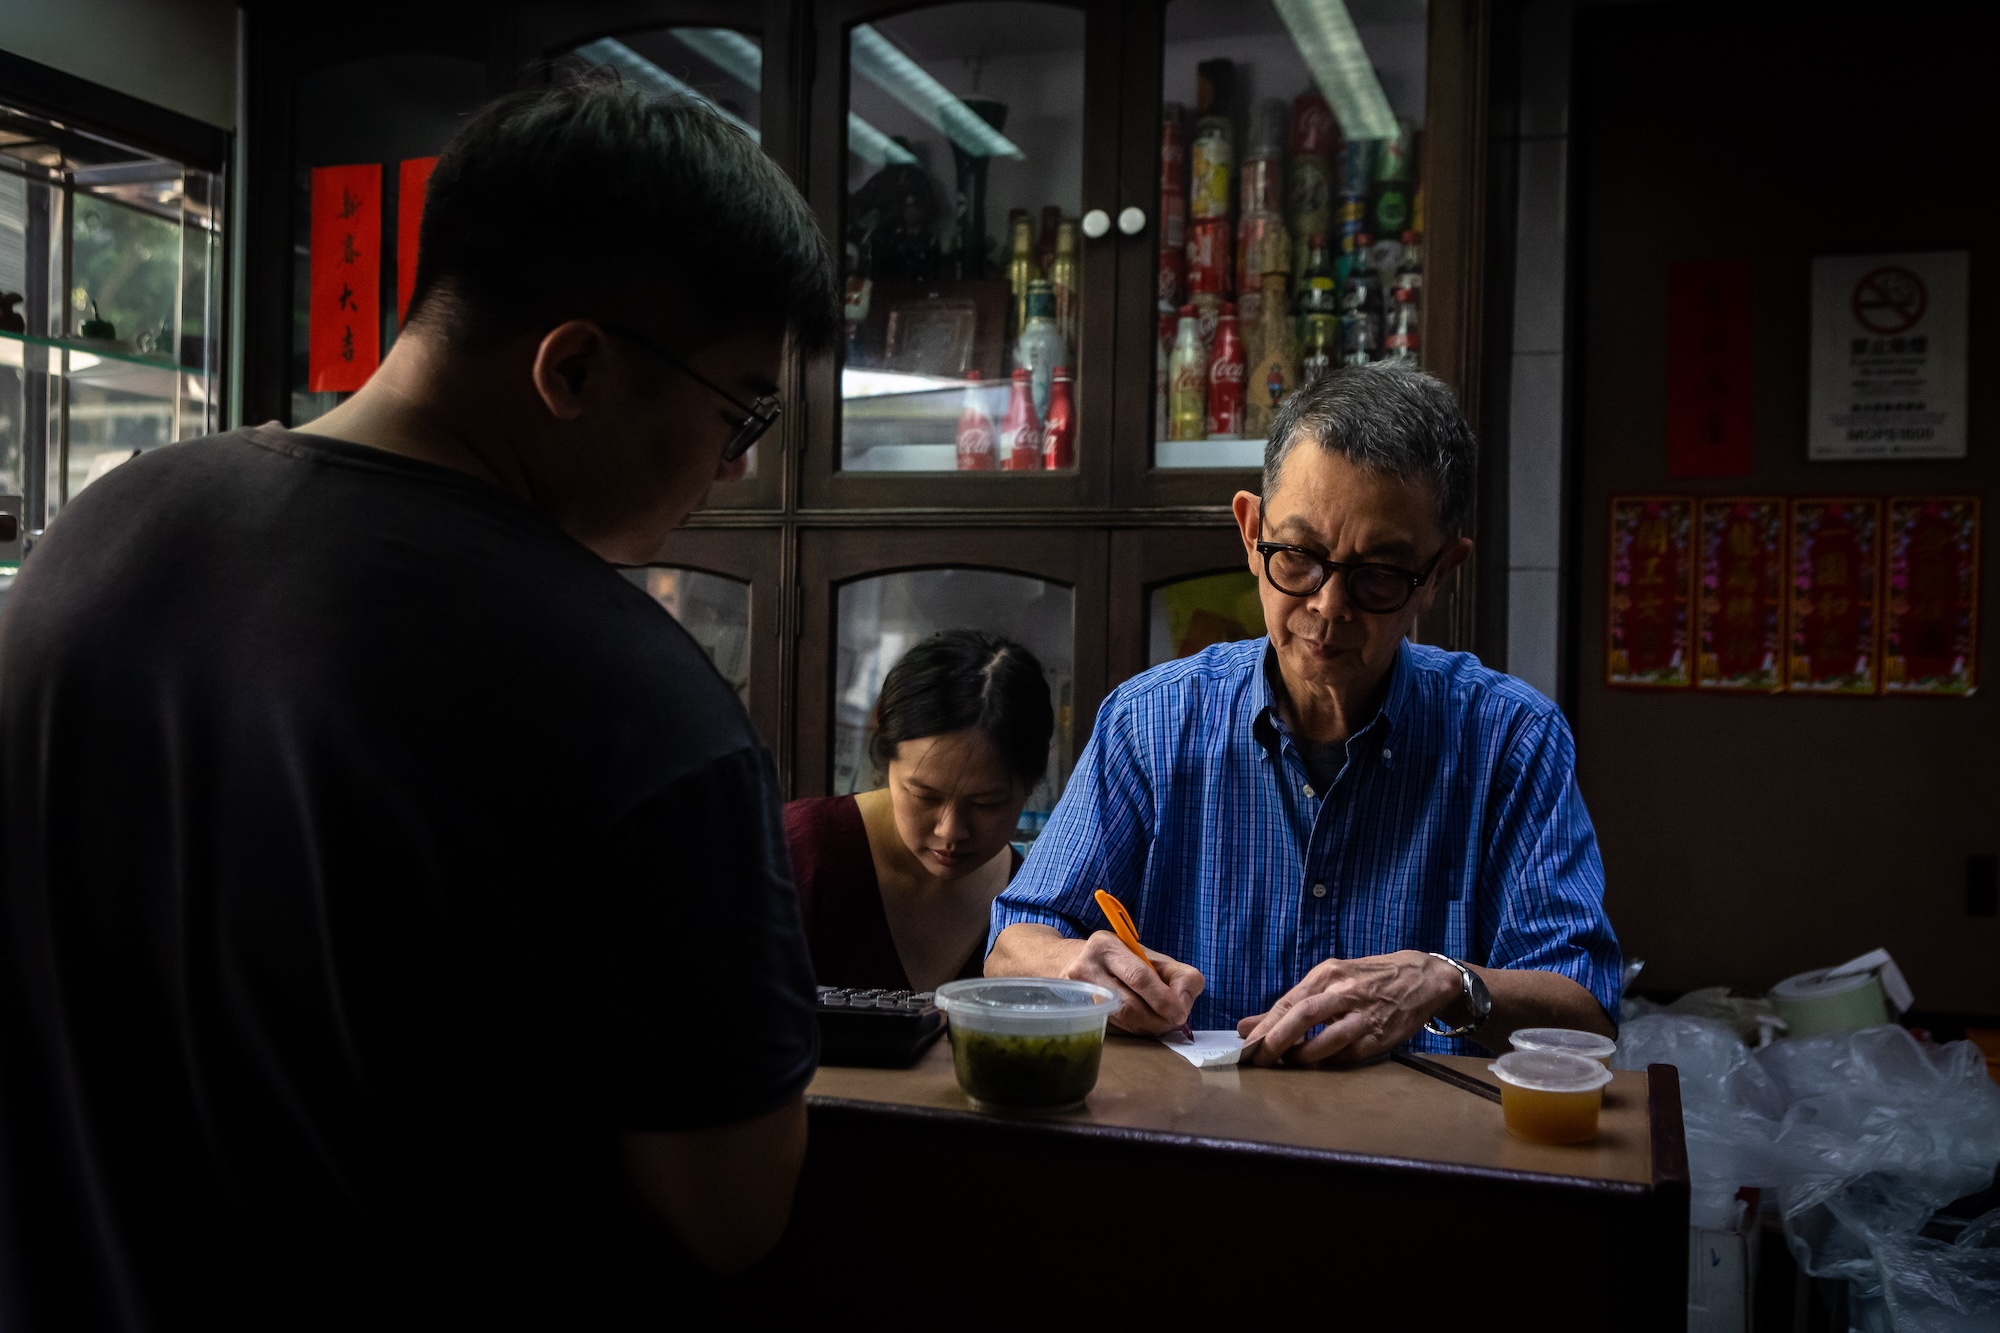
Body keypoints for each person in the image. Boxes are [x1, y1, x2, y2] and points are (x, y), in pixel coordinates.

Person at [0, 76, 839, 1329]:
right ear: (574, 367)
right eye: (739, 412)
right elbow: (731, 1208)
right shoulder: (638, 701)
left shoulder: (102, 527)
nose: (735, 468)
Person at [987, 363, 1620, 1066]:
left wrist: (1448, 981)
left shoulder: (1509, 741)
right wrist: (1080, 966)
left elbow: (1587, 1012)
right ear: (1252, 531)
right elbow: (1015, 941)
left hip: (1415, 1162)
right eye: (1299, 557)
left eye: (1379, 574)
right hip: (1189, 1150)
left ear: (1439, 573)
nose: (1327, 606)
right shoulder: (1151, 722)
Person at [788, 630, 1052, 993]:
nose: (950, 831)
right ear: (886, 763)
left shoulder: (1035, 903)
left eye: (986, 804)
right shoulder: (797, 851)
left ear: (1030, 784)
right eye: (925, 797)